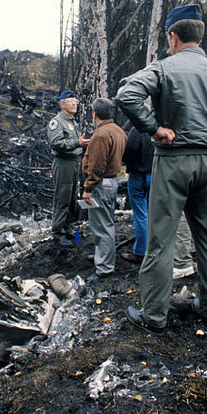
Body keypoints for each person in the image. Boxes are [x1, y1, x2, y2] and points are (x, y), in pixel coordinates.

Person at [116, 4, 207, 333]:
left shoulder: (163, 69)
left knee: (161, 240)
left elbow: (126, 94)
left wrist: (153, 128)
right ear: (200, 36)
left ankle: (155, 315)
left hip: (173, 160)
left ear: (173, 37)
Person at [81, 98, 126, 282]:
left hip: (101, 184)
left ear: (94, 114)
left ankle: (105, 267)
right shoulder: (118, 130)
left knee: (102, 225)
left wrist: (88, 187)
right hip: (110, 181)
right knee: (104, 221)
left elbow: (97, 165)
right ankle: (103, 256)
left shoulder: (101, 135)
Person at [46, 90, 85, 247]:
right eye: (71, 102)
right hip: (63, 163)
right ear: (62, 105)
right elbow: (56, 143)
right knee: (62, 197)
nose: (74, 104)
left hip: (74, 162)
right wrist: (77, 144)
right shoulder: (57, 122)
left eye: (75, 102)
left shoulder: (72, 122)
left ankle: (67, 227)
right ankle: (58, 232)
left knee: (71, 198)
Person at [121, 124, 154, 264]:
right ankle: (154, 249)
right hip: (155, 174)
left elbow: (129, 151)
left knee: (140, 213)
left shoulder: (137, 129)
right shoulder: (159, 127)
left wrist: (126, 161)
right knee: (153, 212)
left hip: (138, 175)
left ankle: (141, 252)